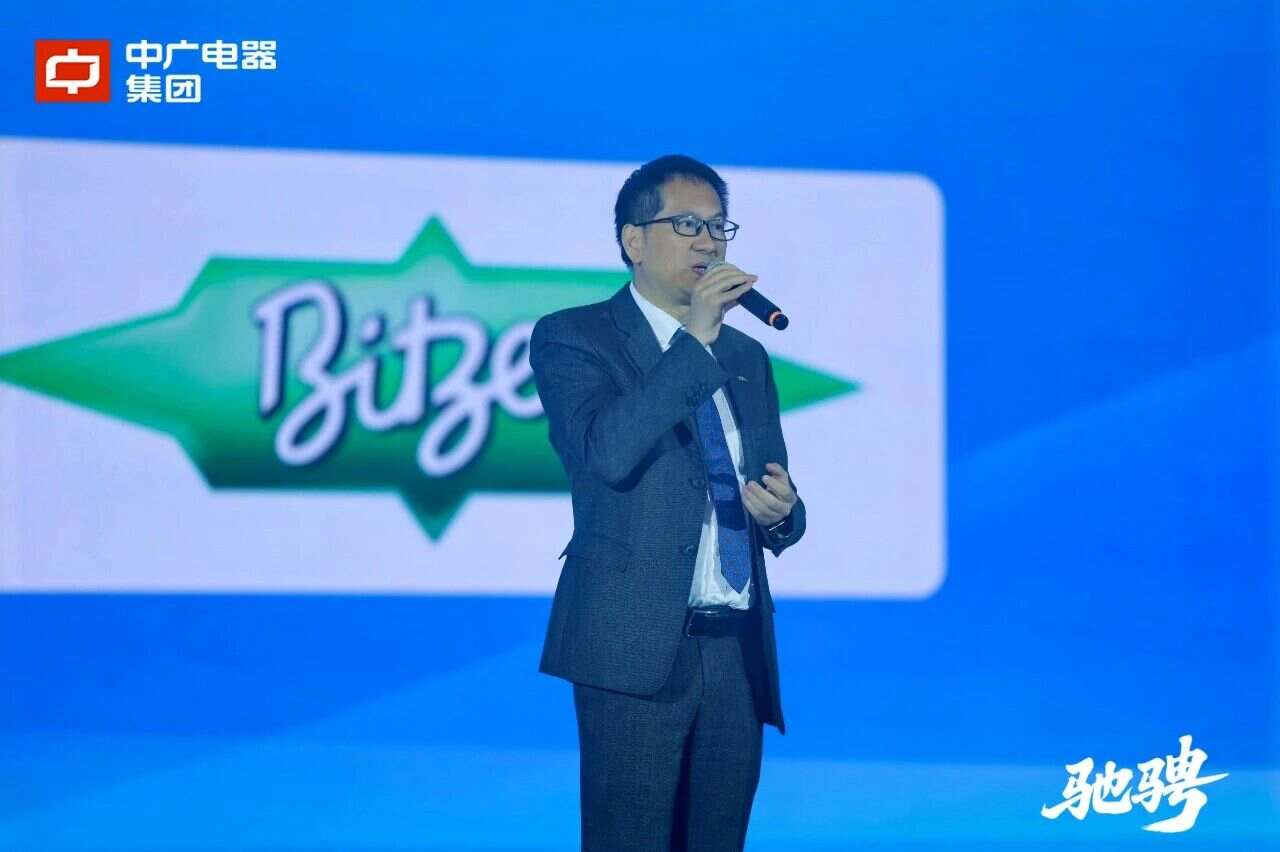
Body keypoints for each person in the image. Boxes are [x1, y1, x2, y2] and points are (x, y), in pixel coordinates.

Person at [529, 154, 807, 852]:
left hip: (735, 650)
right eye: (687, 225)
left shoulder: (747, 356)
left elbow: (770, 487)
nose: (708, 242)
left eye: (718, 226)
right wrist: (696, 340)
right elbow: (606, 453)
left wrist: (782, 514)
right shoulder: (574, 337)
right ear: (634, 240)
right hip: (632, 646)